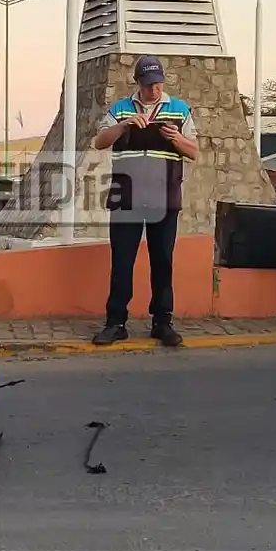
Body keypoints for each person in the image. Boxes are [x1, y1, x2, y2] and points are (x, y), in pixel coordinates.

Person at [91, 55, 199, 346]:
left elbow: (194, 151)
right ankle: (116, 323)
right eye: (149, 84)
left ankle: (162, 321)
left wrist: (176, 138)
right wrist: (124, 126)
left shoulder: (179, 109)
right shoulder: (120, 108)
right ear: (137, 83)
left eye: (158, 83)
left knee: (162, 260)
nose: (154, 89)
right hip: (126, 198)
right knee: (122, 261)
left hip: (164, 198)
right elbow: (100, 142)